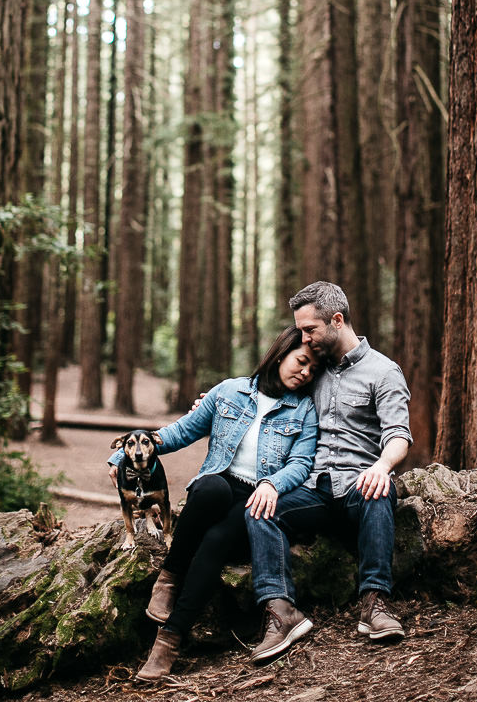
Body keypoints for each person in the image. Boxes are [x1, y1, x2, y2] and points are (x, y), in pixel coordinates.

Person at [107, 326, 320, 682]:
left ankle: (168, 640)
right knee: (209, 489)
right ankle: (169, 577)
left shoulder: (304, 409)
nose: (306, 372)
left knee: (216, 542)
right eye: (302, 361)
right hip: (219, 485)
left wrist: (272, 483)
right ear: (280, 353)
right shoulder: (229, 391)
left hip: (255, 497)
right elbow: (181, 431)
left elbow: (301, 462)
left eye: (313, 369)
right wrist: (120, 458)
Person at [245, 280, 412, 662]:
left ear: (337, 320)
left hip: (359, 487)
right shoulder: (313, 369)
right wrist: (220, 400)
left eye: (309, 329)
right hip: (314, 489)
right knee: (259, 506)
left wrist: (382, 466)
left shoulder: (384, 371)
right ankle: (281, 611)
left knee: (380, 489)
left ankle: (375, 604)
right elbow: (270, 388)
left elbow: (399, 435)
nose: (303, 338)